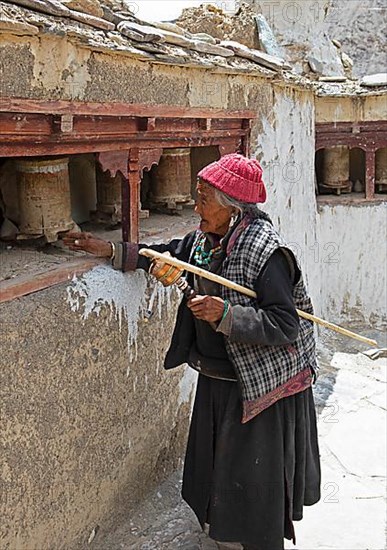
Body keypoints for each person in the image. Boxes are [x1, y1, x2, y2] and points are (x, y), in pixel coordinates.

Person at [64, 153, 321, 550]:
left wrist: (227, 315)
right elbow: (168, 257)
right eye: (197, 195)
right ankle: (224, 531)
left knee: (253, 475)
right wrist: (112, 252)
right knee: (219, 467)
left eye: (204, 198)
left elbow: (285, 324)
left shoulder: (267, 254)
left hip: (258, 385)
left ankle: (257, 539)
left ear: (232, 209)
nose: (196, 205)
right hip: (218, 376)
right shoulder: (204, 242)